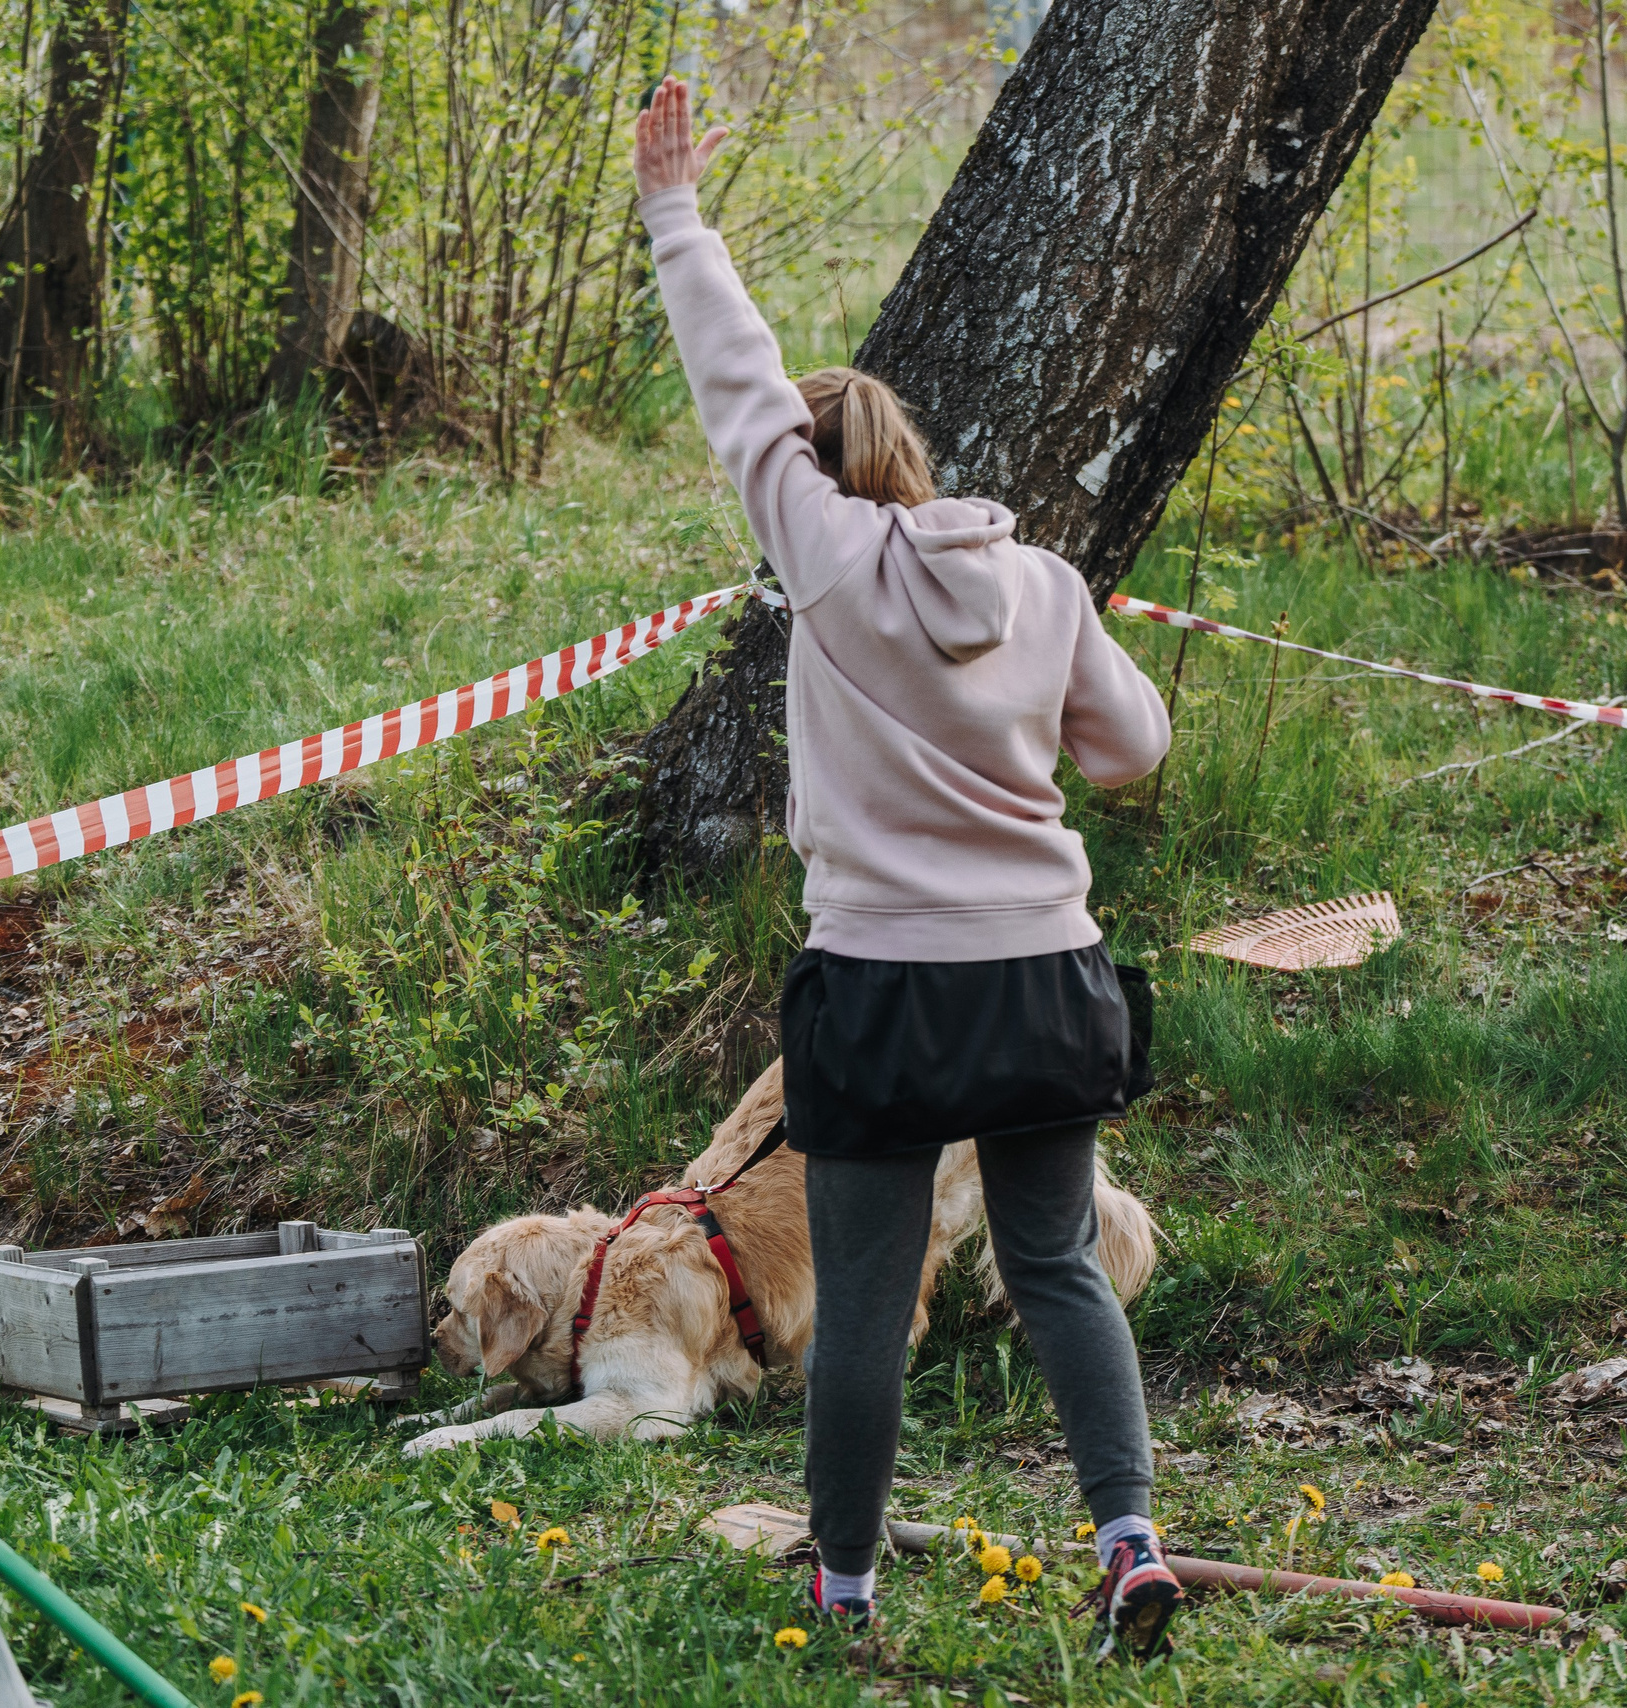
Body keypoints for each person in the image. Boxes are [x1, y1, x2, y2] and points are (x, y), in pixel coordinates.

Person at [632, 79, 1182, 1660]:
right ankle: (1132, 1540)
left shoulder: (824, 557)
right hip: (1045, 980)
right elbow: (1132, 750)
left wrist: (679, 216)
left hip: (882, 986)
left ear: (812, 479)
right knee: (1059, 1264)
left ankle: (846, 1585)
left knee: (868, 1300)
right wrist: (1059, 681)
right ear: (916, 457)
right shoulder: (1048, 579)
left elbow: (738, 384)